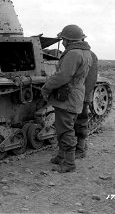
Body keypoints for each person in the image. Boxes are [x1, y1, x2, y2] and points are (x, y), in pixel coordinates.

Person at [41, 25, 92, 173]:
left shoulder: (73, 53)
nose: (62, 42)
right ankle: (61, 156)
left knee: (65, 130)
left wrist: (46, 87)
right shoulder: (85, 52)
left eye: (63, 39)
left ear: (68, 40)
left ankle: (69, 163)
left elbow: (63, 76)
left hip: (67, 96)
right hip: (75, 94)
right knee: (63, 127)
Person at [74, 47, 98, 158]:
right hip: (77, 94)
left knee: (81, 120)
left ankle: (81, 148)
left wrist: (82, 96)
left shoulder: (90, 55)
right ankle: (80, 145)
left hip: (82, 96)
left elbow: (91, 79)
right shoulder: (76, 53)